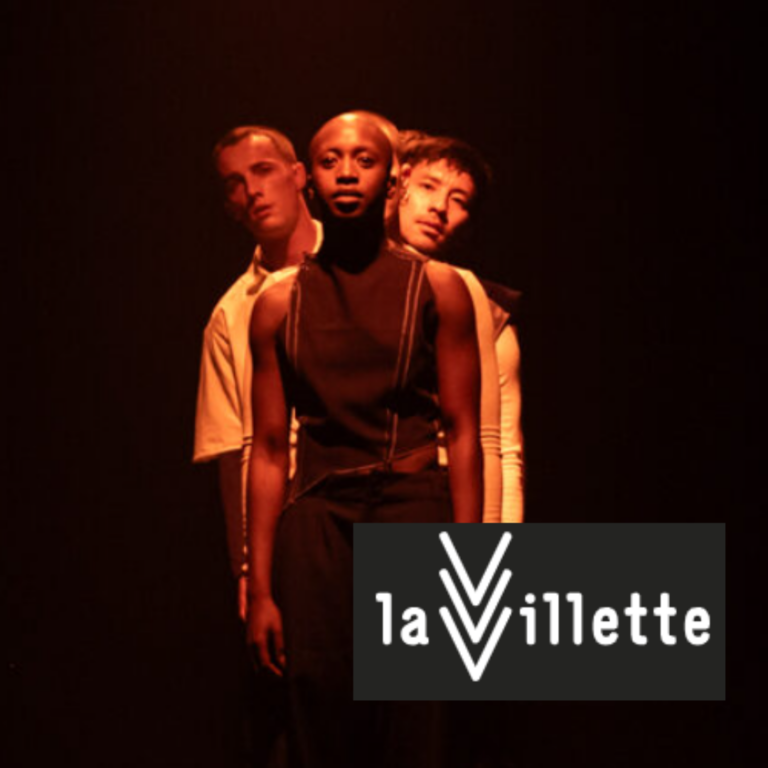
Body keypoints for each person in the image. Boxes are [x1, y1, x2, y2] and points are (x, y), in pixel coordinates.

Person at [246, 113, 482, 768]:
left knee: (417, 721)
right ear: (309, 181)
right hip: (319, 522)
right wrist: (260, 588)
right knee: (319, 711)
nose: (347, 173)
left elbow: (464, 430)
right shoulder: (277, 305)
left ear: (394, 179)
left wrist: (472, 562)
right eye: (330, 161)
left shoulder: (437, 289)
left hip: (412, 512)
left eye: (364, 159)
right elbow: (269, 448)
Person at [193, 126, 322, 617]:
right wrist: (247, 571)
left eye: (263, 170)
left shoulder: (369, 262)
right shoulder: (230, 315)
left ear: (299, 175)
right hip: (292, 528)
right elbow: (231, 449)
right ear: (229, 206)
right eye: (235, 183)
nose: (252, 190)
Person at [396, 133, 525, 522]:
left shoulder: (487, 309)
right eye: (428, 186)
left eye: (459, 200)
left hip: (437, 503)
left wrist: (501, 541)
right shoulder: (334, 284)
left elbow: (502, 444)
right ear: (400, 185)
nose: (439, 207)